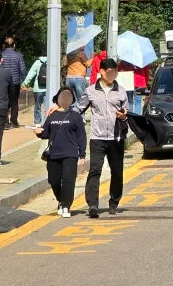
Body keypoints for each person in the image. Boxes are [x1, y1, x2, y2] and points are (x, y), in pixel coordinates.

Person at [67, 58, 129, 218]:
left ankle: (114, 202)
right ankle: (92, 204)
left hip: (116, 137)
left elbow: (126, 113)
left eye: (115, 72)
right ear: (101, 72)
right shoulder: (90, 91)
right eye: (110, 72)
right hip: (97, 137)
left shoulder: (121, 91)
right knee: (95, 170)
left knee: (117, 171)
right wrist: (61, 108)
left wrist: (123, 116)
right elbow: (78, 109)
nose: (113, 75)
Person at [35, 87, 86, 218]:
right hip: (54, 154)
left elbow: (81, 136)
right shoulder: (52, 115)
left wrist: (82, 155)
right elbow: (45, 133)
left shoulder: (75, 116)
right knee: (54, 180)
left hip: (70, 154)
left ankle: (66, 206)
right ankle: (61, 200)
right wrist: (38, 133)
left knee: (68, 181)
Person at [0, 37, 25, 128]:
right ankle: (14, 121)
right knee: (14, 102)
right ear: (14, 45)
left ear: (4, 45)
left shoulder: (1, 55)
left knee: (4, 101)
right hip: (15, 82)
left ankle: (5, 122)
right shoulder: (19, 55)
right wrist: (24, 80)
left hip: (3, 81)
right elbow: (22, 69)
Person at [21, 54, 49, 126]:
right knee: (47, 107)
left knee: (37, 106)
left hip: (38, 88)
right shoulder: (51, 62)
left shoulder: (37, 62)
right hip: (48, 88)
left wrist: (24, 84)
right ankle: (46, 122)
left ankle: (37, 122)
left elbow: (31, 74)